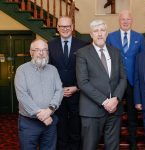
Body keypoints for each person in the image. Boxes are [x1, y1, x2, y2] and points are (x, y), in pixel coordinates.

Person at [76, 19, 127, 150]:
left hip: (114, 110)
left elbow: (123, 78)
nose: (99, 34)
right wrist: (105, 102)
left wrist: (116, 99)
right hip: (92, 110)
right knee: (89, 146)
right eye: (96, 31)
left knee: (113, 146)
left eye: (102, 30)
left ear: (107, 33)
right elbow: (83, 82)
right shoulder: (82, 53)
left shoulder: (115, 52)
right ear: (91, 34)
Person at [106, 10, 145, 149]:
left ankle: (133, 142)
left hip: (133, 82)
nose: (125, 21)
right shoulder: (110, 37)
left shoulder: (139, 37)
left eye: (128, 19)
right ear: (119, 20)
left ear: (132, 20)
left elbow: (142, 60)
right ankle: (113, 142)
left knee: (132, 115)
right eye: (123, 19)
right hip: (116, 82)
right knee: (114, 114)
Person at [14, 39, 63, 150]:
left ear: (48, 53)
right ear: (31, 52)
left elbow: (59, 91)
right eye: (37, 50)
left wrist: (50, 110)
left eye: (44, 50)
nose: (41, 53)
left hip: (50, 122)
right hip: (29, 123)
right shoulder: (22, 70)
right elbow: (22, 96)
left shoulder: (53, 70)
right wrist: (41, 115)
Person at [48, 16, 87, 150]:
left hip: (77, 93)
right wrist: (59, 89)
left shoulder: (82, 45)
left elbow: (86, 70)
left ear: (72, 27)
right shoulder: (50, 45)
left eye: (68, 26)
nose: (65, 29)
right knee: (61, 128)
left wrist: (77, 87)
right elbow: (48, 70)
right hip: (57, 95)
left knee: (76, 128)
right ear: (57, 28)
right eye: (62, 26)